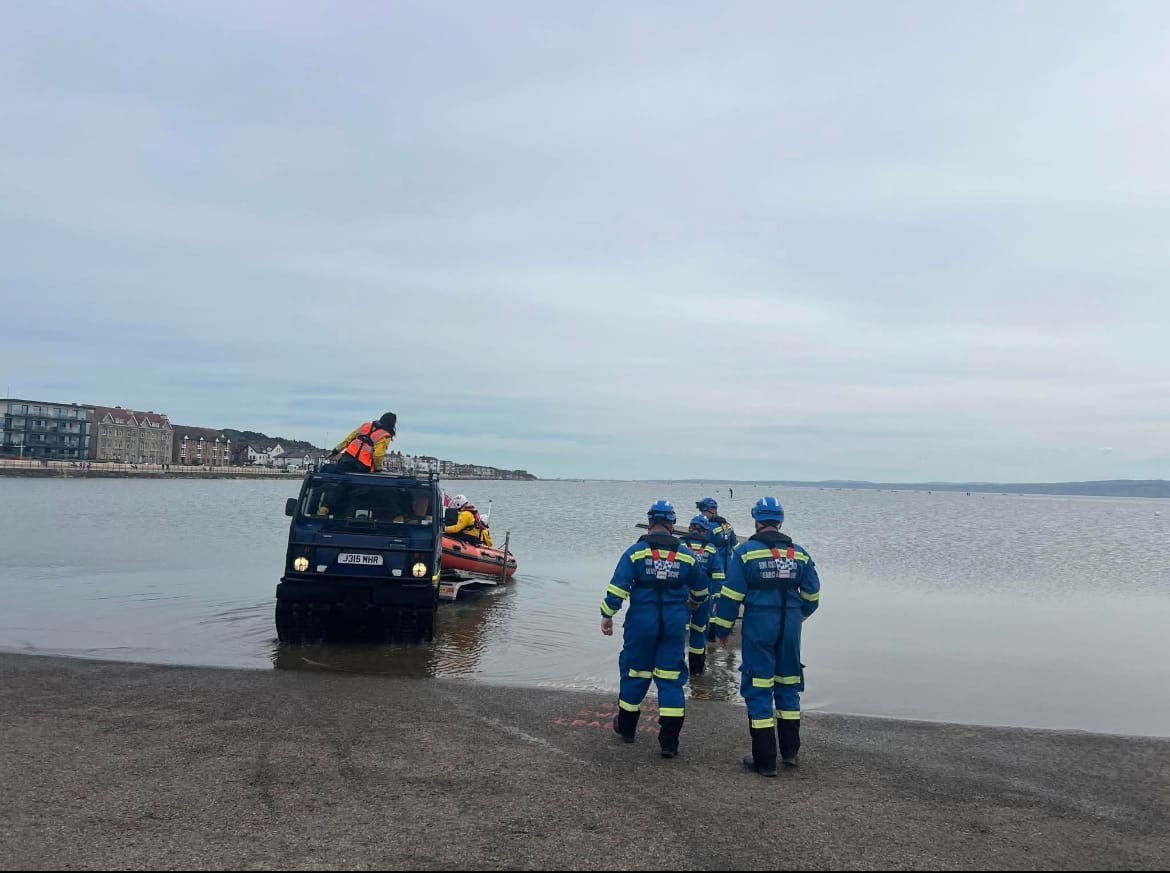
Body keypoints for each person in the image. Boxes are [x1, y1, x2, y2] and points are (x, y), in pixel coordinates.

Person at [712, 496, 820, 777]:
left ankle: (765, 760)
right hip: (790, 627)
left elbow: (731, 595)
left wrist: (722, 629)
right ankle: (791, 753)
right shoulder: (800, 554)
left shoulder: (745, 552)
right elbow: (812, 596)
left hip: (760, 624)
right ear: (780, 521)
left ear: (756, 521)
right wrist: (798, 617)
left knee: (759, 687)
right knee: (788, 685)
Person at [600, 500, 707, 758]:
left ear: (650, 523)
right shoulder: (686, 555)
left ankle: (627, 730)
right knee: (670, 679)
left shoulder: (635, 552)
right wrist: (692, 603)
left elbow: (617, 588)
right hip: (673, 623)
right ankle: (669, 743)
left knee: (635, 673)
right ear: (672, 524)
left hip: (641, 623)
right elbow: (702, 591)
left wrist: (607, 614)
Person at [678, 514, 725, 677]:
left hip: (681, 598)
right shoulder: (711, 549)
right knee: (698, 633)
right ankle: (696, 672)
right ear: (705, 531)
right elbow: (718, 576)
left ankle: (676, 668)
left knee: (679, 632)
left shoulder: (679, 545)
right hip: (704, 598)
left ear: (690, 528)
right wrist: (716, 598)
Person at [697, 496, 737, 639]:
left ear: (708, 511)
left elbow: (705, 546)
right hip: (728, 567)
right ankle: (729, 626)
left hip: (713, 567)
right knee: (725, 597)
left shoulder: (709, 527)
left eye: (703, 512)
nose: (702, 515)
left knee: (711, 597)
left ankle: (711, 632)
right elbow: (735, 545)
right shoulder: (727, 525)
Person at [329, 412, 397, 473]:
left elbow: (348, 439)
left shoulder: (366, 425)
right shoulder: (385, 435)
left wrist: (335, 451)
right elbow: (378, 454)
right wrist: (378, 469)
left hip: (347, 458)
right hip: (362, 465)